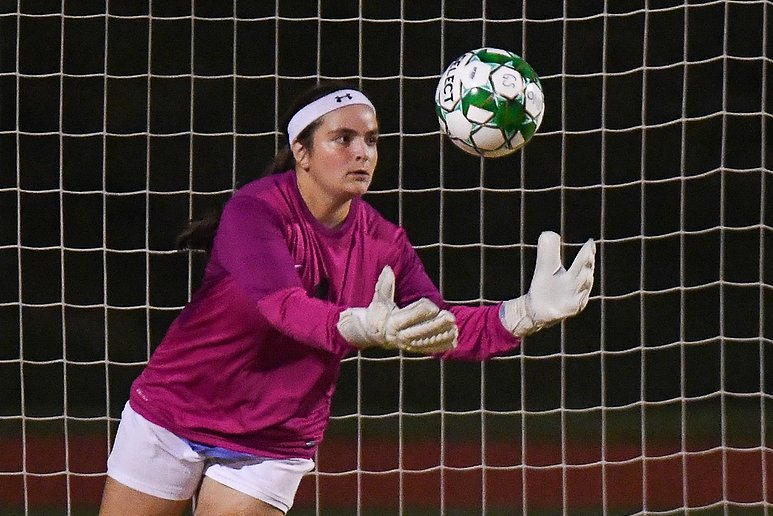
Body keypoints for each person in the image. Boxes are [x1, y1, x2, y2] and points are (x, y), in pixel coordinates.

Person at [99, 81, 595, 515]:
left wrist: (523, 314)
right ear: (302, 150)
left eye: (372, 140)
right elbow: (283, 308)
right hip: (174, 410)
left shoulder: (385, 243)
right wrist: (359, 325)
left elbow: (438, 326)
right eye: (343, 138)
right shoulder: (255, 211)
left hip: (275, 437)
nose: (363, 152)